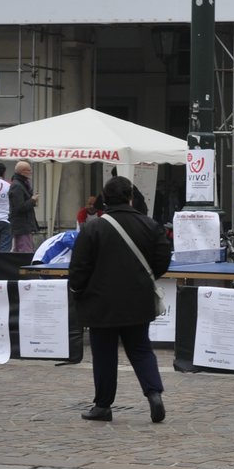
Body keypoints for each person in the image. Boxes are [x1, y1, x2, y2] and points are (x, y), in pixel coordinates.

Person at [69, 175, 173, 424]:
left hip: (100, 301)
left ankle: (103, 406)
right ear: (130, 197)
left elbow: (79, 267)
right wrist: (146, 277)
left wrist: (78, 290)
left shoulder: (93, 227)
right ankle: (154, 393)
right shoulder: (149, 224)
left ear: (105, 199)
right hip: (138, 298)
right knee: (140, 349)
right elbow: (163, 258)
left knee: (104, 354)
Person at [9, 160, 39, 255]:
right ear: (22, 172)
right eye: (29, 170)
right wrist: (32, 200)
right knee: (25, 251)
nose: (31, 172)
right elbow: (19, 207)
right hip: (22, 225)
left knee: (21, 250)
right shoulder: (17, 186)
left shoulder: (21, 184)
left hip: (23, 224)